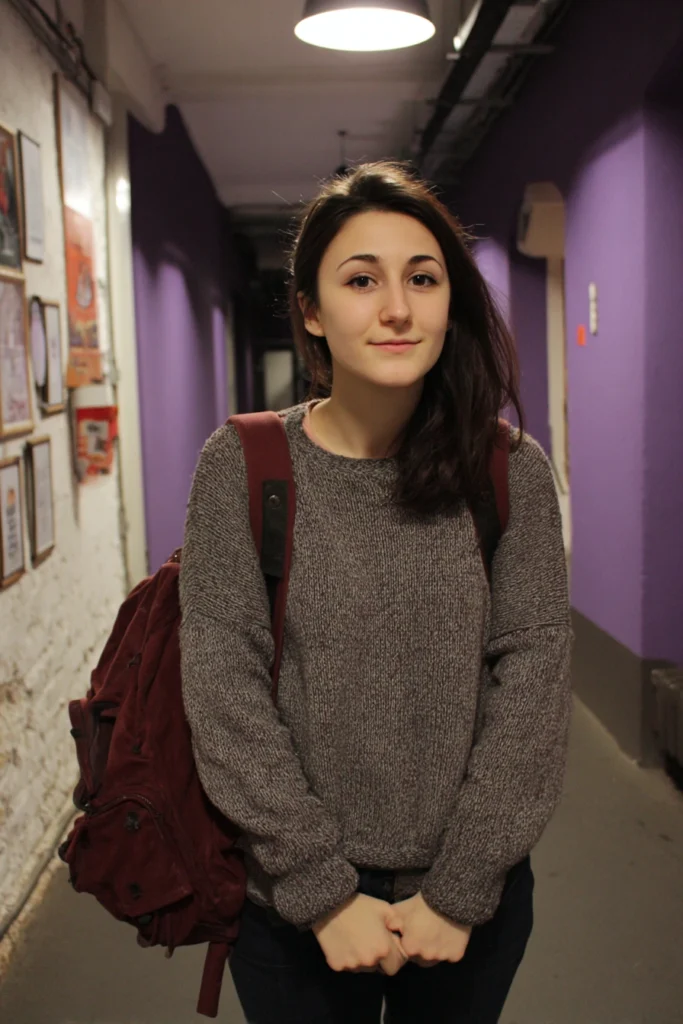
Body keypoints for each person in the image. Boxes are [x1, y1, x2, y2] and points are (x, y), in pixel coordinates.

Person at [179, 161, 573, 1023]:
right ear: (313, 312)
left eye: (421, 279)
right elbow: (222, 679)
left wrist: (461, 886)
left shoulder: (508, 471)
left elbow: (534, 678)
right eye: (361, 280)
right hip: (290, 909)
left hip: (468, 896)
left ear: (448, 302)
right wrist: (320, 890)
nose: (396, 307)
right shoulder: (244, 465)